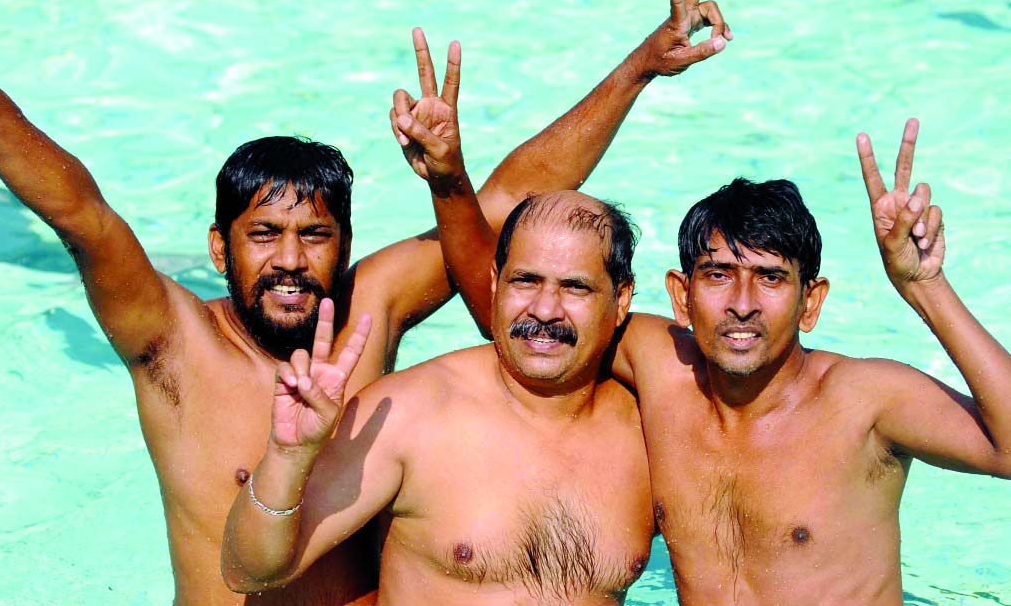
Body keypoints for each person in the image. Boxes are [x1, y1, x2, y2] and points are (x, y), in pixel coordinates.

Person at [0, 0, 730, 606]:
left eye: (314, 236)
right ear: (219, 249)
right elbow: (81, 214)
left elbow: (506, 206)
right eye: (263, 235)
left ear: (345, 242)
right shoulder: (171, 340)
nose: (290, 260)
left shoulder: (373, 305)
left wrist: (637, 70)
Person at [422, 117, 1011, 604]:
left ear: (811, 302)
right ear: (681, 295)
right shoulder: (662, 366)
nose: (742, 304)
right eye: (719, 275)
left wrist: (924, 286)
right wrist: (450, 181)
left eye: (771, 278)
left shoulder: (864, 401)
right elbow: (524, 322)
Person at [222, 191, 656, 605]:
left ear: (620, 300)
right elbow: (248, 572)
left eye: (575, 288)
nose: (545, 310)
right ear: (495, 282)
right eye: (525, 281)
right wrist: (288, 456)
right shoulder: (410, 413)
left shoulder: (648, 435)